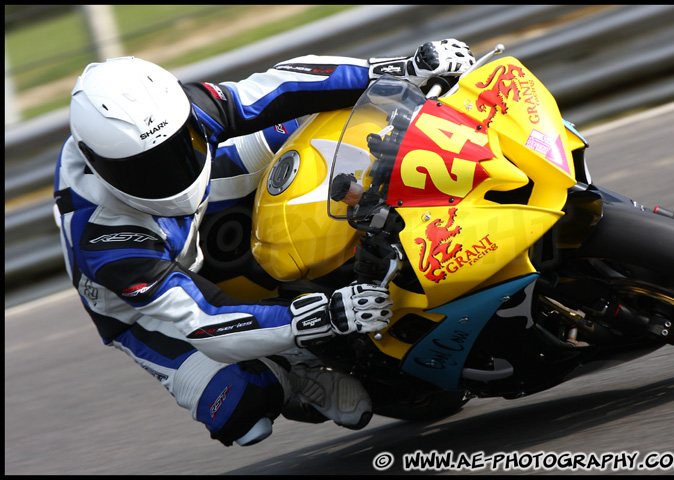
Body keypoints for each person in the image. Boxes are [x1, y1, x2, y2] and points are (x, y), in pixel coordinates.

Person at [53, 39, 475, 447]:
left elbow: (283, 85)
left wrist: (399, 69)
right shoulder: (105, 239)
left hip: (196, 208)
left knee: (306, 131)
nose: (169, 176)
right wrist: (323, 317)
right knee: (243, 408)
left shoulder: (177, 110)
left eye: (180, 149)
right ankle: (292, 372)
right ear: (99, 167)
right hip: (144, 306)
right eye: (145, 171)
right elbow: (203, 322)